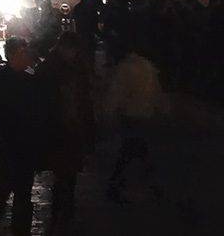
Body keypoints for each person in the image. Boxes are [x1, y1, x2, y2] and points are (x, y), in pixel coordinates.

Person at [0, 37, 49, 235]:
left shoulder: (32, 79)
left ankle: (20, 229)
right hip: (7, 144)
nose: (25, 57)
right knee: (4, 186)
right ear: (11, 54)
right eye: (21, 53)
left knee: (22, 192)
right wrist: (0, 134)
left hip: (25, 146)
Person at [101, 39, 169, 203]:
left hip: (131, 114)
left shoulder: (125, 68)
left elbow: (117, 93)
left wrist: (108, 112)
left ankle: (119, 182)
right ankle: (149, 181)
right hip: (145, 113)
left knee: (130, 148)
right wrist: (163, 109)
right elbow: (157, 91)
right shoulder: (148, 68)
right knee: (137, 147)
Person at [40, 32, 95, 230]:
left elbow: (85, 100)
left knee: (68, 175)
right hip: (60, 129)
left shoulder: (73, 68)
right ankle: (60, 214)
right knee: (63, 174)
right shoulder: (53, 69)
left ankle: (66, 212)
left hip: (72, 128)